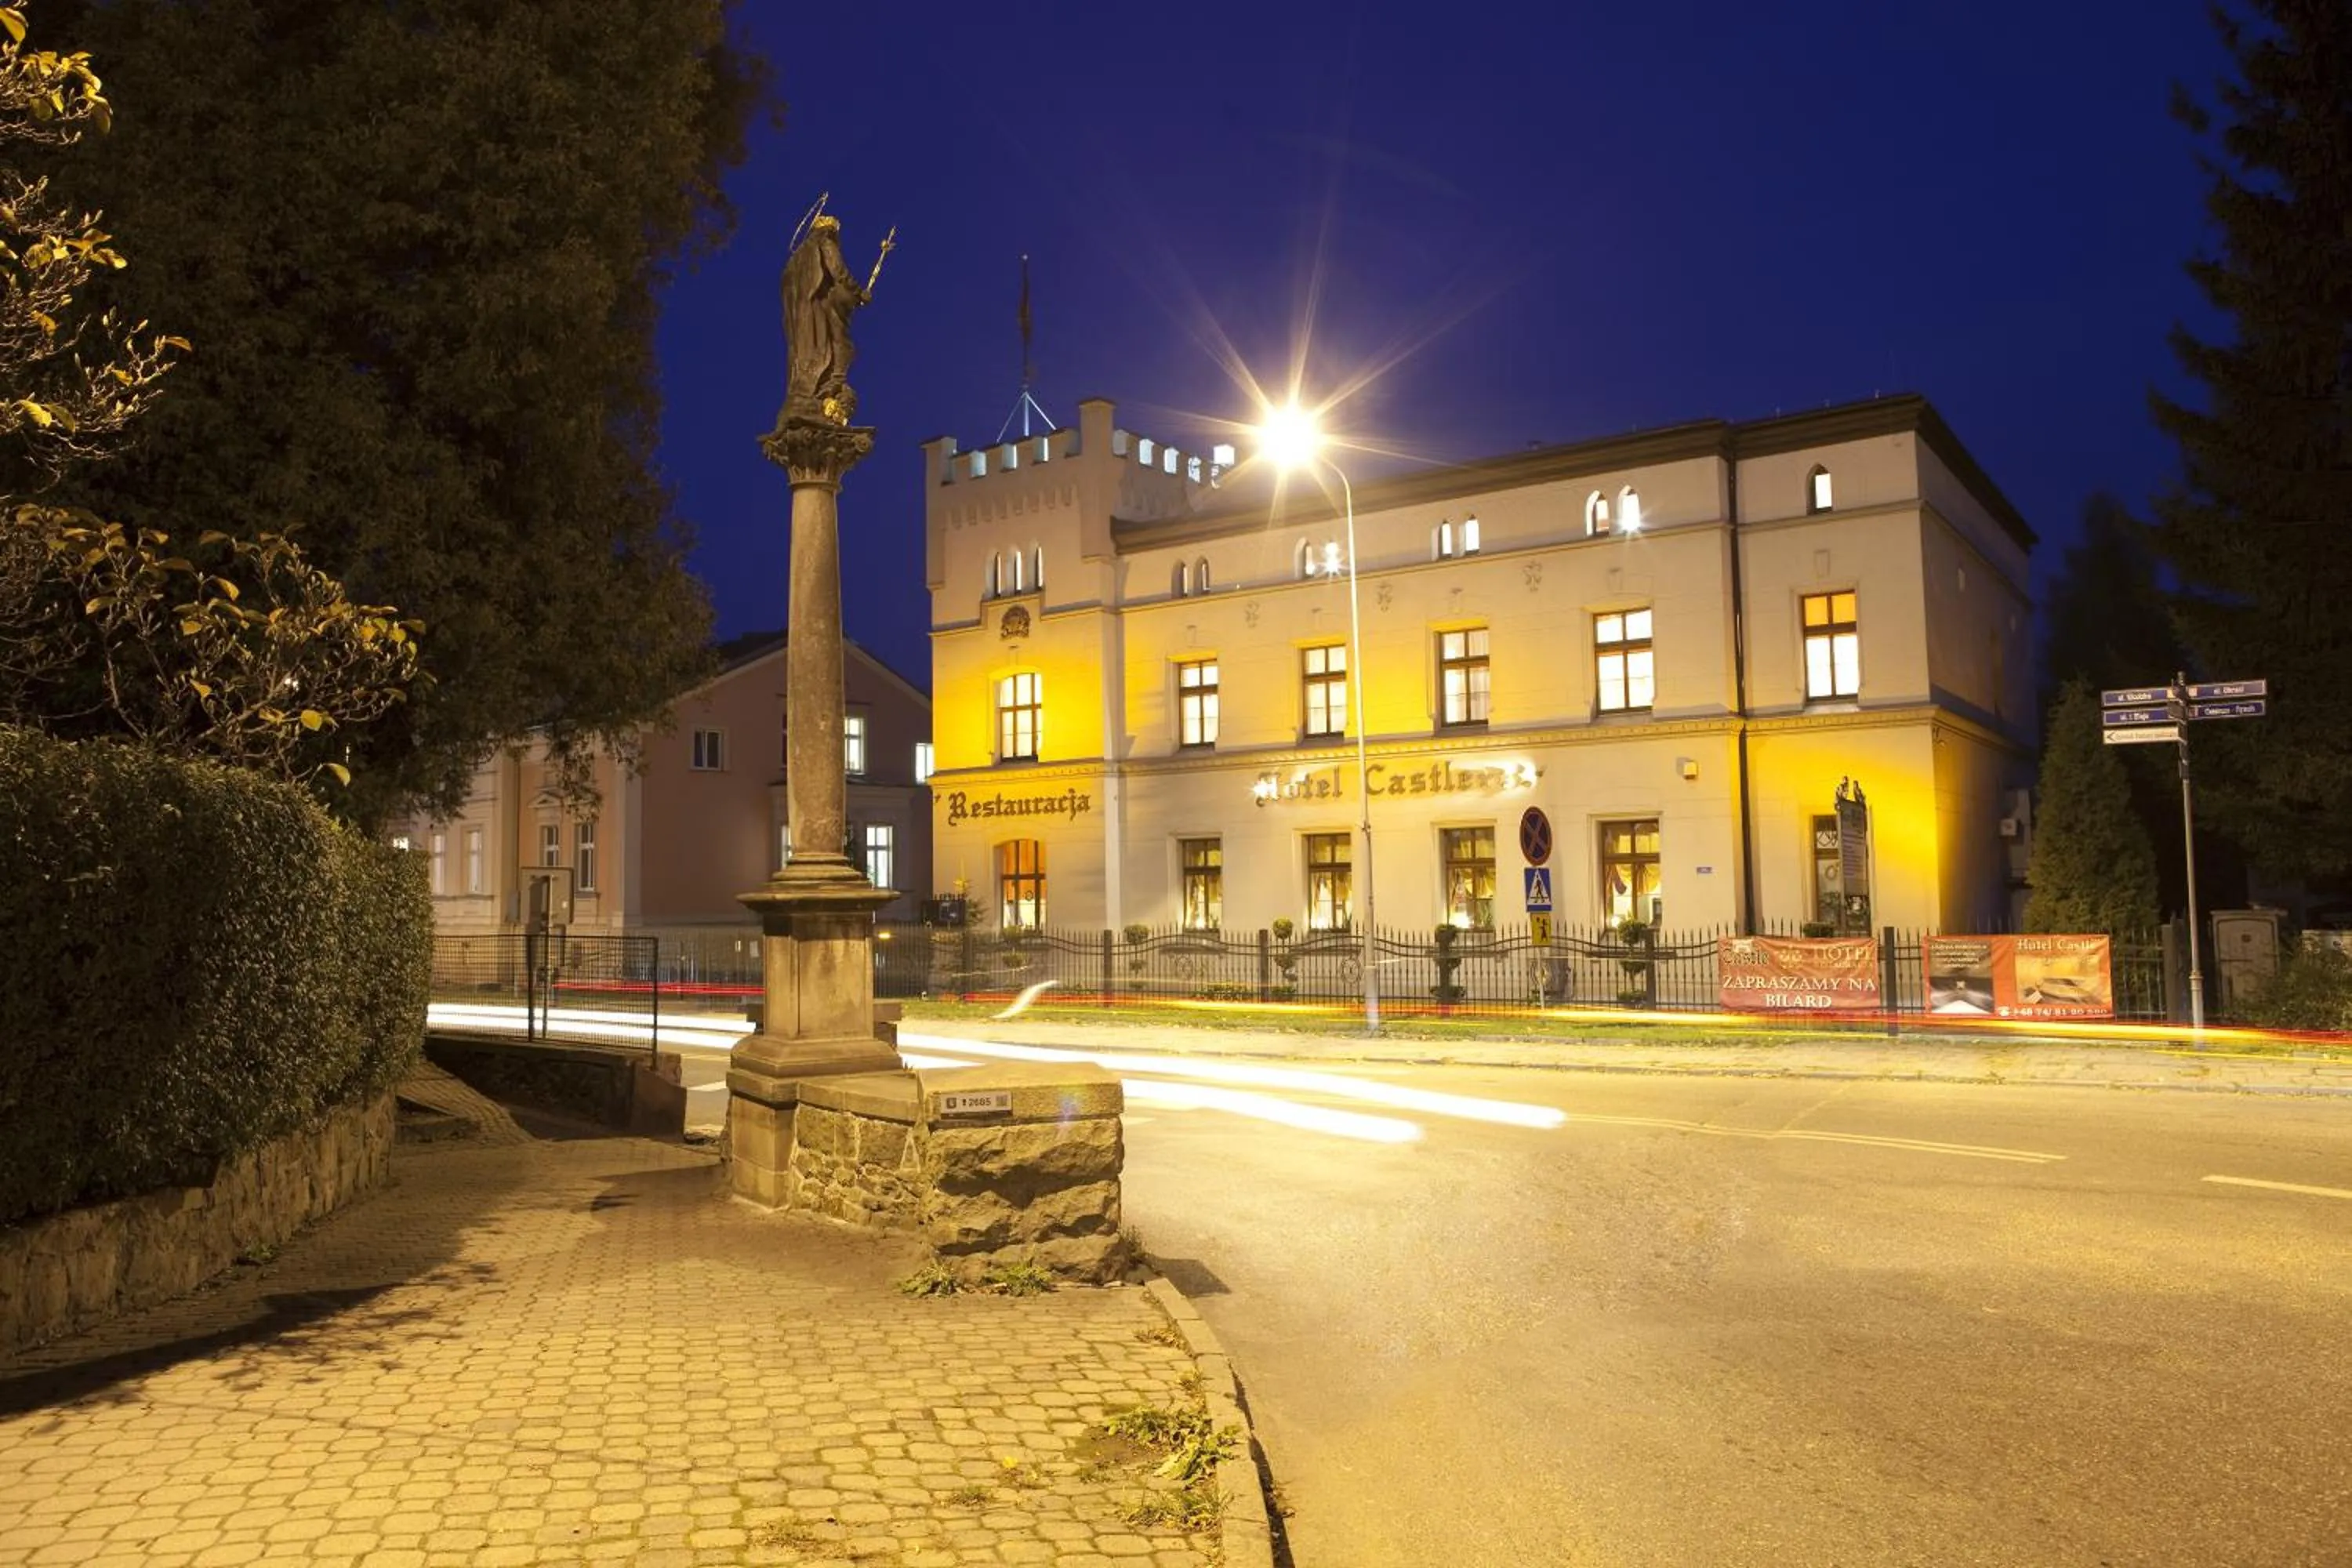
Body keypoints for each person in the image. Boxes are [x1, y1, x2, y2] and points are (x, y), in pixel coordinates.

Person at [780, 215, 867, 424]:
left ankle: (812, 393)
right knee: (841, 348)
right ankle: (829, 388)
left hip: (799, 317)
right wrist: (858, 293)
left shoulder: (794, 261)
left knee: (806, 354)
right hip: (820, 310)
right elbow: (838, 270)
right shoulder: (825, 243)